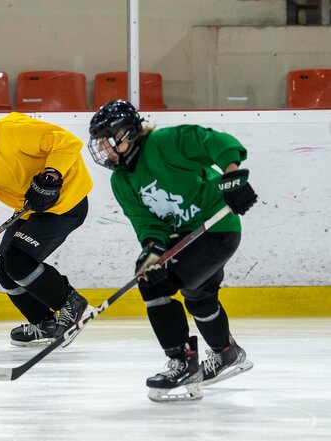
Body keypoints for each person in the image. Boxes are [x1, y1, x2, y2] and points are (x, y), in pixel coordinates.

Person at [87, 100, 257, 402]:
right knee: (199, 295)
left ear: (126, 133)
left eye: (107, 141)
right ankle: (227, 353)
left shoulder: (164, 143)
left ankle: (183, 361)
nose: (105, 150)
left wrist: (232, 176)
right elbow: (147, 223)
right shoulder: (121, 180)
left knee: (154, 283)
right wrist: (151, 249)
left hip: (216, 228)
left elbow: (215, 142)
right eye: (100, 144)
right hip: (184, 237)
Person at [0, 85, 93, 347]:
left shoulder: (14, 131)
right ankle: (44, 323)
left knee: (18, 263)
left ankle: (70, 303)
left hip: (66, 201)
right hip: (31, 208)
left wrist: (51, 176)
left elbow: (68, 142)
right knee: (6, 272)